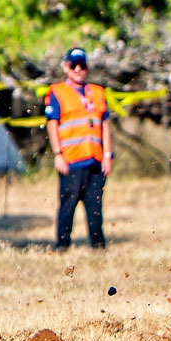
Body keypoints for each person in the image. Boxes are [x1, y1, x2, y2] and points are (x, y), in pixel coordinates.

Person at [44, 47, 112, 250]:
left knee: (95, 209)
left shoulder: (97, 92)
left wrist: (107, 155)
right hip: (71, 160)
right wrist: (58, 155)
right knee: (67, 206)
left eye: (82, 65)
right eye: (73, 65)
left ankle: (98, 247)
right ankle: (62, 246)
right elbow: (52, 124)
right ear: (66, 68)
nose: (78, 70)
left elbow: (104, 125)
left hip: (94, 160)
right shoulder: (57, 92)